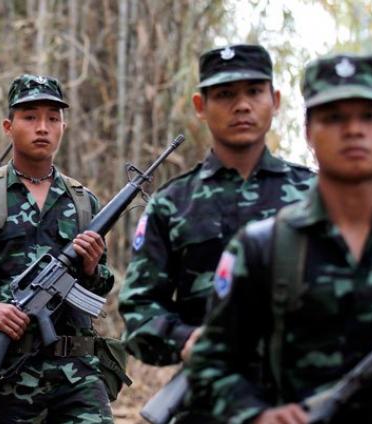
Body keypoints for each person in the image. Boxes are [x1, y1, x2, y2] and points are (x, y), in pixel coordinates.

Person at [187, 53, 372, 424]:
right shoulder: (264, 246)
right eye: (334, 118)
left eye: (370, 116)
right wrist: (256, 415)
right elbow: (211, 362)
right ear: (309, 131)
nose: (354, 130)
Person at [0, 74, 115, 422]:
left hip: (78, 371)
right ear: (8, 126)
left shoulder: (83, 201)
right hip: (11, 369)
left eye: (52, 118)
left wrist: (91, 269)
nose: (42, 127)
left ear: (63, 126)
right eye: (30, 117)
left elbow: (102, 285)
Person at [119, 44, 313, 369]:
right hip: (209, 394)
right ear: (201, 106)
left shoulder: (315, 194)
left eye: (254, 91)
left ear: (275, 100)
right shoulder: (172, 204)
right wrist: (186, 340)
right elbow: (139, 311)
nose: (241, 106)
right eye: (224, 95)